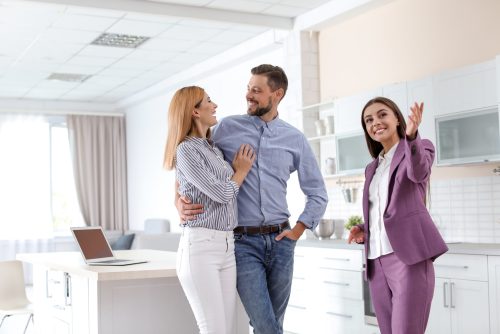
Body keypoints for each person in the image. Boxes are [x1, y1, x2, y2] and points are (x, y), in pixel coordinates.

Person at [177, 65, 328, 334]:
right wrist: (178, 200)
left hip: (282, 242)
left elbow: (317, 192)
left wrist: (299, 229)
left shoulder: (295, 139)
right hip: (242, 244)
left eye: (256, 91)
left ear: (277, 94)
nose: (249, 95)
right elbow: (190, 163)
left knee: (272, 324)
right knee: (265, 324)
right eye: (248, 88)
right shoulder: (225, 128)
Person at [348, 97, 448, 334]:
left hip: (408, 259)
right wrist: (364, 227)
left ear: (396, 119)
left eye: (382, 115)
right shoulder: (372, 167)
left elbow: (419, 172)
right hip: (376, 262)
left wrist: (412, 136)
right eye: (369, 120)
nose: (376, 123)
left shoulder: (419, 147)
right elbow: (384, 208)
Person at [164, 86, 256, 334]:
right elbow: (223, 194)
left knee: (226, 329)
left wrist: (176, 197)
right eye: (209, 101)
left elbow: (185, 182)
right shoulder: (186, 149)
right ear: (195, 111)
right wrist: (242, 171)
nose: (214, 105)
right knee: (214, 330)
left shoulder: (212, 148)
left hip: (227, 247)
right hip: (201, 248)